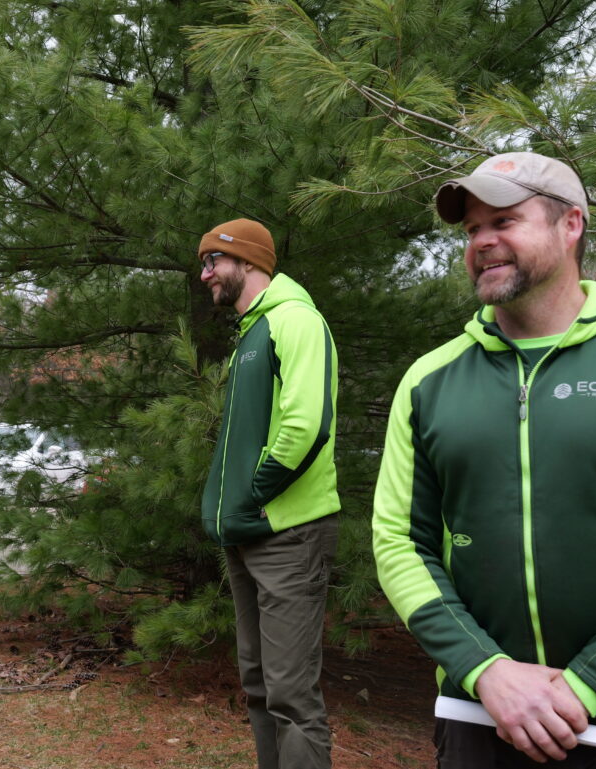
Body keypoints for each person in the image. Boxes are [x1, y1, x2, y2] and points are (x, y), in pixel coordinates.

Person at [373, 152, 596, 767]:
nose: (482, 241)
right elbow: (400, 543)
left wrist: (585, 688)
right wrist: (487, 672)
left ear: (572, 225)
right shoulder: (430, 380)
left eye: (503, 221)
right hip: (480, 713)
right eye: (472, 228)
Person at [198, 218, 341, 769]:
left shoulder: (295, 321)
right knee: (258, 683)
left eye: (214, 261)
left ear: (249, 262)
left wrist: (254, 495)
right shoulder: (253, 334)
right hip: (249, 529)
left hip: (287, 532)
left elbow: (307, 425)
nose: (205, 273)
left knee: (290, 695)